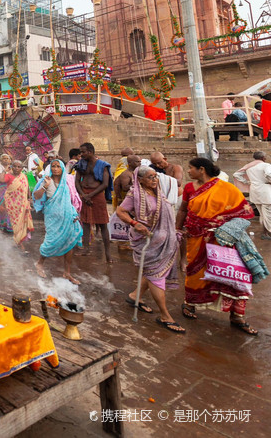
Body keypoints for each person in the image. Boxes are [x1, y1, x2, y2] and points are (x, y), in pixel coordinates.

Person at [176, 158, 258, 335]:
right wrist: (177, 228)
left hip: (223, 240)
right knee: (196, 272)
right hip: (196, 238)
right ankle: (190, 303)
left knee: (233, 274)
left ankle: (237, 316)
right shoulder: (189, 188)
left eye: (191, 168)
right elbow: (183, 209)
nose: (188, 171)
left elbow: (244, 212)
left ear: (202, 169)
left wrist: (222, 226)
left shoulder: (226, 188)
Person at [115, 166, 183, 333]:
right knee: (155, 276)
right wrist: (134, 223)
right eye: (150, 177)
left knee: (152, 272)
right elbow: (120, 211)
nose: (154, 180)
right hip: (147, 241)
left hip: (165, 241)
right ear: (140, 180)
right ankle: (165, 316)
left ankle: (135, 296)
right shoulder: (134, 194)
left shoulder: (159, 192)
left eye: (155, 177)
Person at [34, 160, 83, 283]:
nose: (55, 169)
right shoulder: (46, 180)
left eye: (58, 166)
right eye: (53, 166)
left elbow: (69, 200)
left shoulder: (66, 182)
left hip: (67, 215)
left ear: (62, 168)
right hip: (52, 217)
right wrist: (45, 186)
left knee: (69, 241)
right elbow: (36, 196)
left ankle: (67, 272)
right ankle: (39, 263)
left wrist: (74, 214)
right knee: (50, 241)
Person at [74, 142, 113, 263]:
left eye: (83, 152)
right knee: (86, 223)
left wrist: (89, 195)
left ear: (90, 152)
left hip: (97, 195)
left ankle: (108, 254)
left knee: (102, 224)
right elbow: (77, 182)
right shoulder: (81, 164)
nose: (81, 154)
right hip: (85, 195)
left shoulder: (103, 165)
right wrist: (83, 195)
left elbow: (105, 184)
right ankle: (86, 249)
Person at [234, 151, 271, 240]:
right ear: (263, 158)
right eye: (265, 157)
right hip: (265, 191)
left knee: (263, 214)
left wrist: (247, 182)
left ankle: (265, 233)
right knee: (268, 214)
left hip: (254, 191)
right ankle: (268, 233)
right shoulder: (266, 165)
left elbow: (236, 174)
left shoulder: (249, 167)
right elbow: (268, 174)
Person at [3, 160, 33, 251]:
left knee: (23, 223)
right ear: (11, 167)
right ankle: (19, 243)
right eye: (14, 166)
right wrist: (5, 171)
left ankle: (19, 242)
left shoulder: (24, 176)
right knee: (16, 224)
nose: (16, 168)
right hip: (12, 205)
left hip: (23, 204)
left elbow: (27, 189)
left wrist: (29, 199)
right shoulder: (8, 176)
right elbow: (3, 186)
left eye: (19, 167)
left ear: (22, 168)